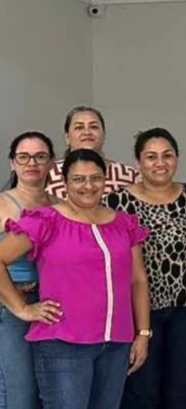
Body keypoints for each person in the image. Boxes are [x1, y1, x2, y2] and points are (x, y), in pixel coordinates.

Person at [0, 149, 151, 409]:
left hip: (116, 345)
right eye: (79, 179)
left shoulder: (123, 224)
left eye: (95, 178)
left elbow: (138, 280)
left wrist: (143, 333)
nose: (88, 186)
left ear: (105, 180)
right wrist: (22, 308)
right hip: (63, 346)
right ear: (65, 182)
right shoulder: (46, 220)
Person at [107, 128, 186, 409]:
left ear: (176, 159)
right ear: (138, 163)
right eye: (151, 157)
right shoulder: (116, 203)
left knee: (183, 390)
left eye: (167, 155)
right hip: (138, 309)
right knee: (142, 389)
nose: (160, 163)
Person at [0, 132, 58, 409]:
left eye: (40, 156)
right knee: (19, 396)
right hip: (11, 308)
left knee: (47, 393)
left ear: (52, 162)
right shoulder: (3, 204)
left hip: (51, 306)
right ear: (13, 163)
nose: (31, 163)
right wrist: (21, 308)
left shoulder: (60, 205)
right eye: (23, 157)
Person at [45, 106, 140, 199]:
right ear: (67, 137)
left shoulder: (130, 176)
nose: (87, 132)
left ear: (104, 135)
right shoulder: (48, 174)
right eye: (79, 127)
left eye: (94, 127)